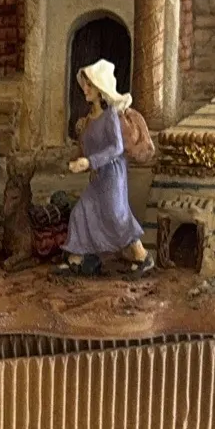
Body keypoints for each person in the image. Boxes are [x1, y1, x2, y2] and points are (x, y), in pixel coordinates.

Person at [58, 59, 151, 276]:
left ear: (101, 89)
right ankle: (76, 258)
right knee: (81, 211)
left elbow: (117, 147)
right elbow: (87, 146)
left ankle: (142, 256)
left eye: (90, 85)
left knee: (116, 216)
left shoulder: (110, 116)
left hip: (113, 175)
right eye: (85, 85)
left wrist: (90, 162)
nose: (85, 89)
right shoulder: (90, 119)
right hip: (98, 176)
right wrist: (78, 162)